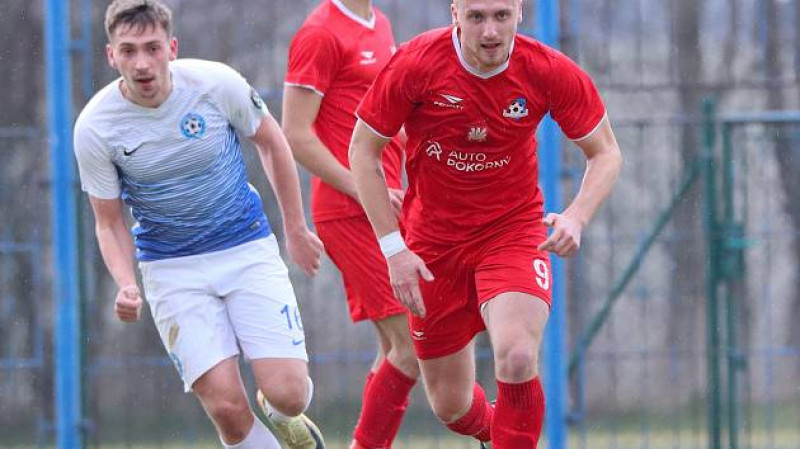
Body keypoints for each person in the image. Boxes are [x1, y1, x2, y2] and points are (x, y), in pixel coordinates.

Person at [349, 0, 623, 447]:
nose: (490, 32)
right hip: (433, 245)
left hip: (512, 232)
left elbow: (606, 152)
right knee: (451, 405)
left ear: (520, 12)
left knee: (517, 356)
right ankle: (502, 432)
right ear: (455, 13)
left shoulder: (547, 70)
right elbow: (363, 150)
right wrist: (394, 249)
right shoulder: (417, 64)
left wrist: (576, 216)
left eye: (501, 16)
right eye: (477, 17)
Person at [73, 1, 326, 448]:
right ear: (111, 56)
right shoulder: (95, 127)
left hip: (245, 247)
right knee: (227, 410)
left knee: (289, 395)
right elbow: (108, 222)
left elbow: (272, 143)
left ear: (172, 48)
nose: (142, 63)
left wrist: (296, 228)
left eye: (152, 48)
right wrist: (126, 283)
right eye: (128, 51)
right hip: (171, 269)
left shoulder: (215, 83)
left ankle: (278, 410)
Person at [282, 1, 419, 448]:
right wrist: (360, 186)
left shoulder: (380, 23)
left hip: (385, 204)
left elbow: (384, 118)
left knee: (396, 348)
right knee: (414, 344)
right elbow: (295, 133)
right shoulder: (320, 33)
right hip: (349, 210)